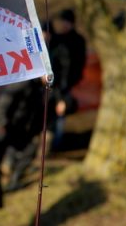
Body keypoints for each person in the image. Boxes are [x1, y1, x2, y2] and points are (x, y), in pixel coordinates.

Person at [0, 77, 47, 192]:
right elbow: (3, 103)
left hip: (26, 127)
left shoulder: (42, 88)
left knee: (29, 151)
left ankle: (14, 179)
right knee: (1, 154)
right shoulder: (22, 83)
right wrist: (0, 123)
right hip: (10, 126)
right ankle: (0, 180)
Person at [48, 9, 86, 150]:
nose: (63, 25)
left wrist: (72, 82)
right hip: (55, 83)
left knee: (60, 112)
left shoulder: (78, 41)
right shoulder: (58, 39)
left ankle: (55, 143)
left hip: (67, 84)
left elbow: (78, 64)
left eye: (65, 22)